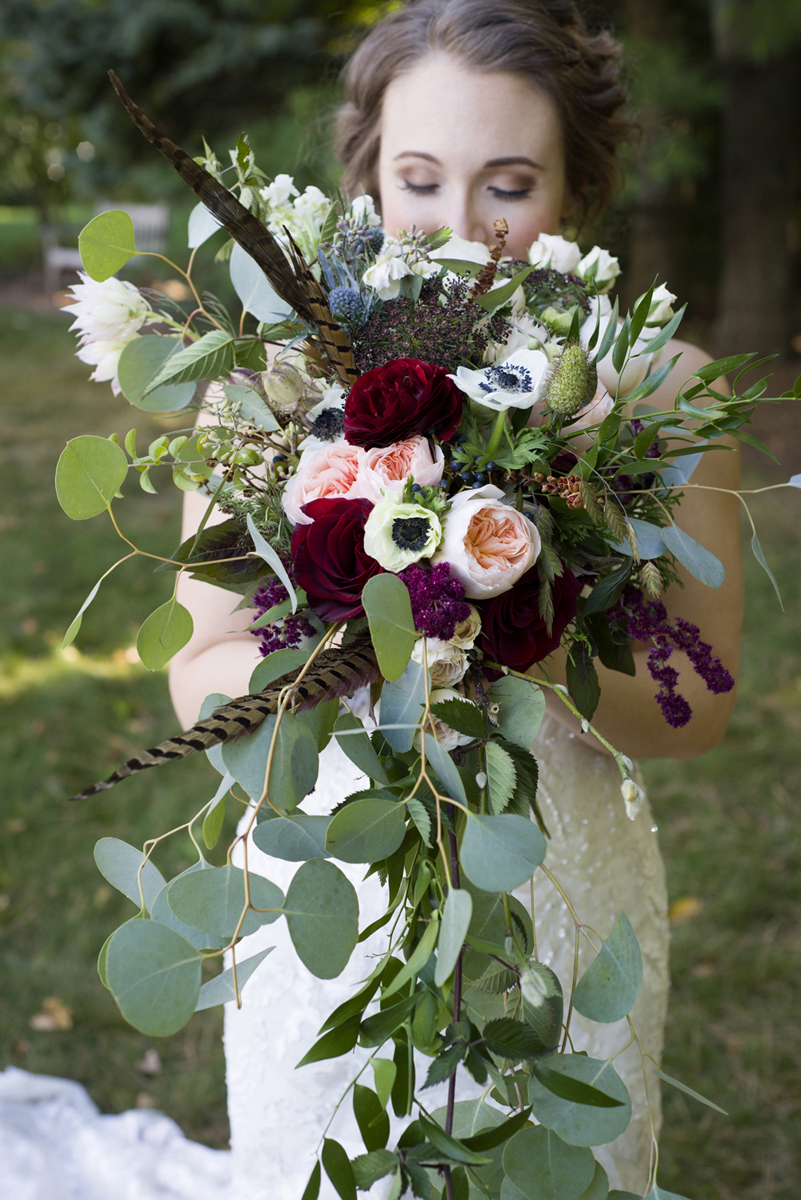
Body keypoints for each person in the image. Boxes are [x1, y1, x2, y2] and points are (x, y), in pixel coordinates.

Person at [168, 2, 743, 1196]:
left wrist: (512, 625)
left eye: (511, 186)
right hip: (325, 887)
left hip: (560, 904)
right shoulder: (262, 388)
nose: (460, 230)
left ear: (576, 194)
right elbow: (200, 665)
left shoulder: (659, 392)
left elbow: (696, 712)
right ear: (367, 171)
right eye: (419, 179)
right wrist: (362, 643)